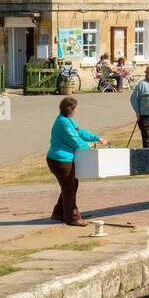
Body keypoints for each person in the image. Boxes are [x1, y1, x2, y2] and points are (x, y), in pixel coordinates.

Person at [46, 96, 107, 226]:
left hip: (64, 159)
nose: (77, 110)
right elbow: (74, 139)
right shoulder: (63, 122)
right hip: (60, 160)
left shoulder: (68, 120)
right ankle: (72, 217)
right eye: (76, 108)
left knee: (71, 185)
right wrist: (87, 146)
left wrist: (97, 138)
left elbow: (79, 132)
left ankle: (59, 212)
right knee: (69, 187)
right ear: (72, 109)